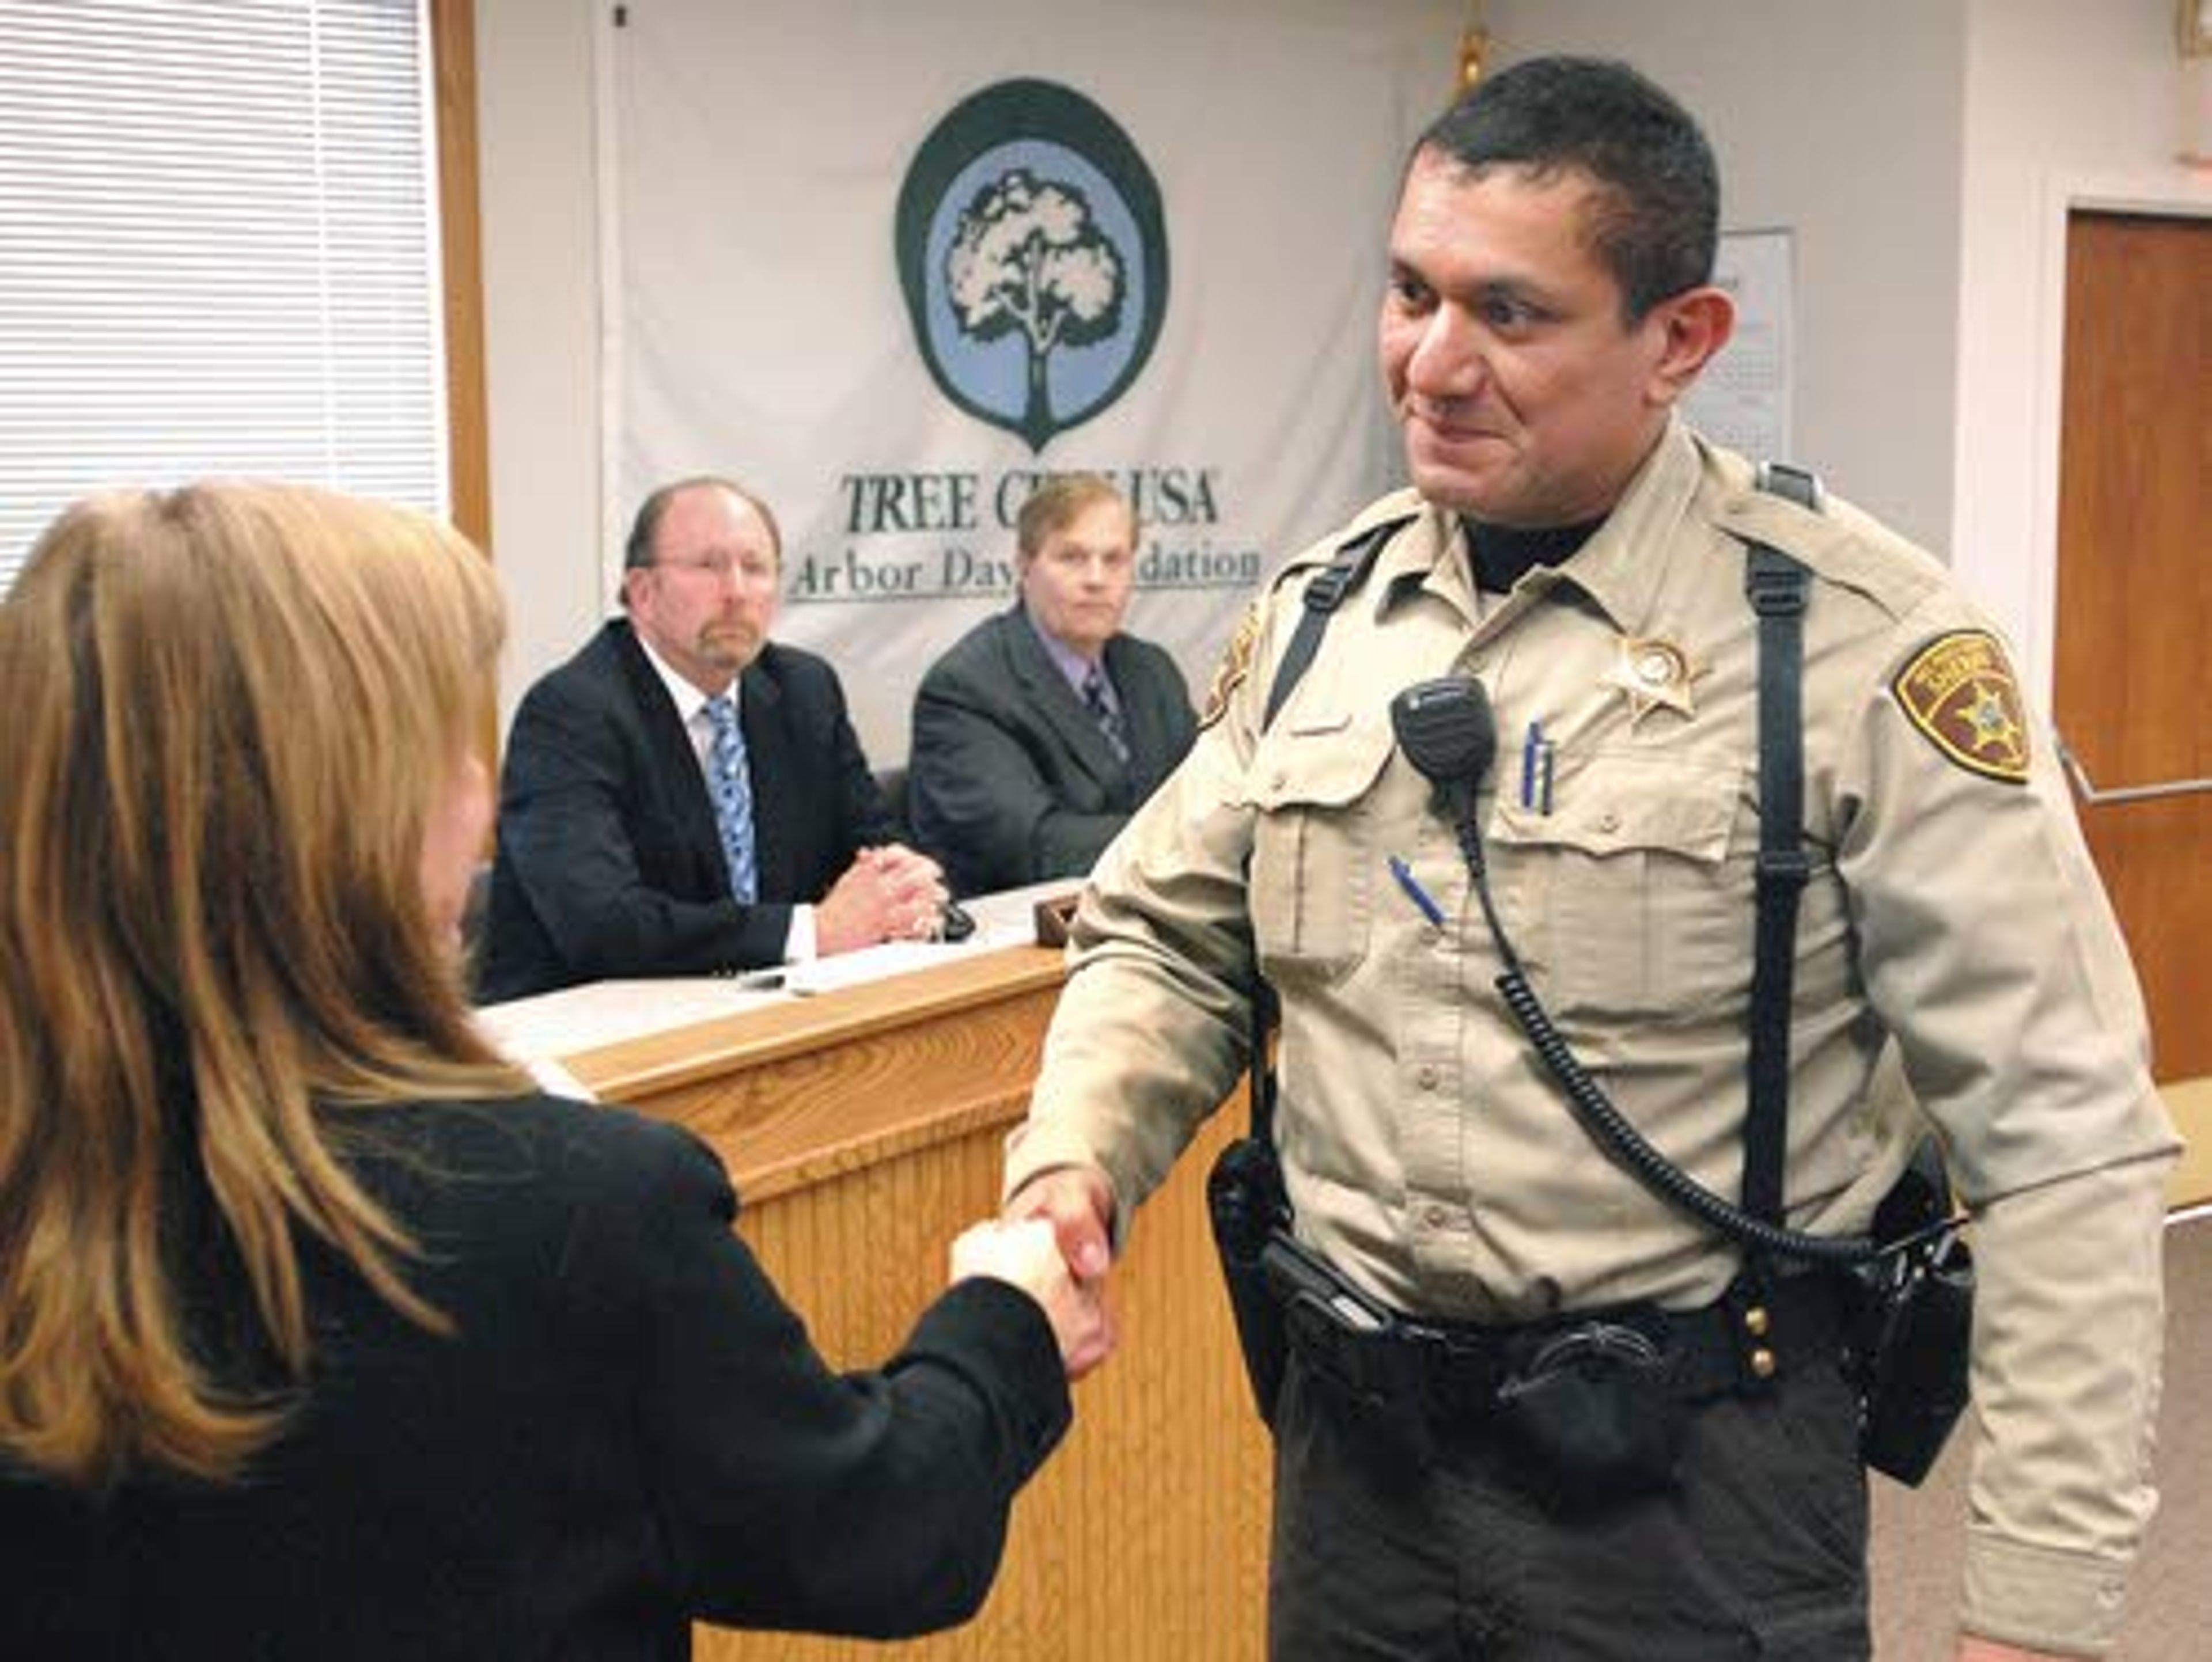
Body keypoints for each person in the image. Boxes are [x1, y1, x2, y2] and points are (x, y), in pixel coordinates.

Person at [1002, 56, 2176, 1662]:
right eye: (1410, 291)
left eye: (1513, 311)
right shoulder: (1321, 619)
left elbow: (2065, 1140)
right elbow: (1161, 936)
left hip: (1691, 1491)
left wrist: (2037, 1609)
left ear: (1679, 341)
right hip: (1357, 1476)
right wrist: (1073, 1160)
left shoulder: (1853, 650)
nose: (1434, 362)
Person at [0, 483, 1099, 1659]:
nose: (481, 812)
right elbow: (878, 1529)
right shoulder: (570, 1215)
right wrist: (1005, 1322)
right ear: (350, 808)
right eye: (447, 741)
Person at [479, 476, 948, 1003]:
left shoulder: (803, 689)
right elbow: (603, 926)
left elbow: (875, 840)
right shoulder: (571, 713)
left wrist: (903, 887)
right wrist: (816, 931)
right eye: (708, 566)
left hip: (767, 1015)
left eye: (756, 567)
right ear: (642, 591)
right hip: (586, 1034)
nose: (737, 592)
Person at [907, 475, 1197, 897]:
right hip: (1026, 939)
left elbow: (1210, 797)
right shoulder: (965, 688)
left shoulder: (1152, 671)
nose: (1097, 579)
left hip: (1158, 915)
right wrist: (1184, 836)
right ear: (1024, 567)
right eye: (1073, 558)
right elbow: (1033, 849)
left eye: (1114, 559)